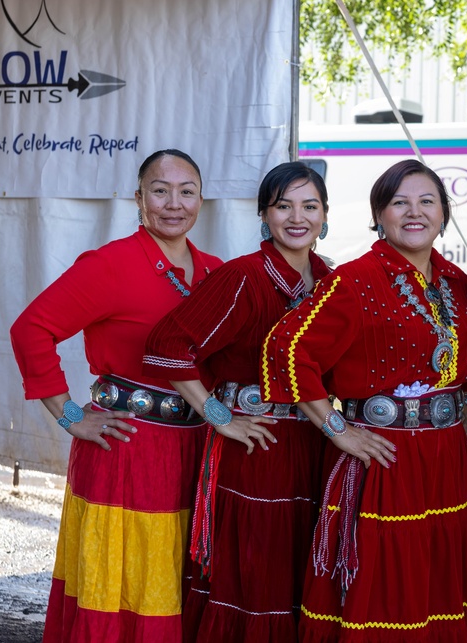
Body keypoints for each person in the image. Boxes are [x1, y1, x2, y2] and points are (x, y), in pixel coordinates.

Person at [261, 159, 467, 642]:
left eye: (427, 201)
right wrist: (336, 428)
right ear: (378, 215)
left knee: (442, 582)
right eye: (398, 202)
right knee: (386, 590)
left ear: (444, 214)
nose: (414, 212)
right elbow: (289, 349)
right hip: (384, 459)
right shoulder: (356, 280)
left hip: (446, 458)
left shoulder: (454, 283)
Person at [10, 150, 223, 642]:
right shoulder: (111, 264)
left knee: (175, 580)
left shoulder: (214, 272)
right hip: (125, 449)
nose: (174, 203)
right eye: (160, 190)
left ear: (201, 199)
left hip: (194, 451)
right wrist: (69, 416)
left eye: (186, 191)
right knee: (122, 585)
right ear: (139, 198)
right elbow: (31, 331)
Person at [142, 162, 332, 641]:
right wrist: (219, 416)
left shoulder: (331, 280)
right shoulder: (243, 276)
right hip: (257, 450)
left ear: (325, 215)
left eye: (309, 206)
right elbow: (167, 345)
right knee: (255, 574)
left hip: (314, 445)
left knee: (300, 571)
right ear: (264, 215)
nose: (297, 217)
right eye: (283, 205)